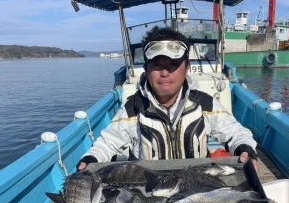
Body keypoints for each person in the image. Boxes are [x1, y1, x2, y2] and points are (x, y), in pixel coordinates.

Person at [77, 26, 258, 171]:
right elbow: (107, 143)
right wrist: (91, 159)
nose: (164, 73)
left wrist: (244, 147)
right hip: (147, 191)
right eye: (156, 64)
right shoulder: (132, 108)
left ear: (187, 67)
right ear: (146, 69)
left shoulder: (205, 103)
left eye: (173, 64)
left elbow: (235, 133)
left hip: (196, 189)